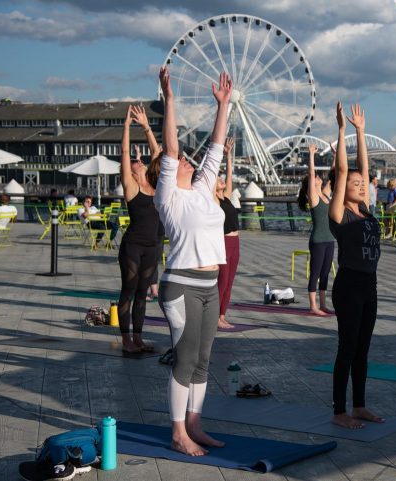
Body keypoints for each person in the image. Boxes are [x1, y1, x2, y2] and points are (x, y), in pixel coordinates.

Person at [155, 66, 231, 456]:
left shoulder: (203, 189)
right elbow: (169, 148)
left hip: (208, 285)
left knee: (203, 359)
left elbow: (216, 148)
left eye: (188, 158)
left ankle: (196, 424)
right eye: (181, 159)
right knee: (184, 359)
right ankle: (177, 431)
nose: (186, 159)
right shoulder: (168, 196)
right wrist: (170, 99)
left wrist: (224, 105)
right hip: (181, 283)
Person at [329, 102, 383, 429]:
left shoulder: (366, 211)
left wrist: (362, 132)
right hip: (349, 286)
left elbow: (362, 169)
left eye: (364, 184)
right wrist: (342, 132)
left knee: (363, 350)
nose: (361, 185)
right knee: (347, 349)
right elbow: (345, 172)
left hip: (370, 286)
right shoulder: (341, 214)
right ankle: (339, 410)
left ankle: (360, 405)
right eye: (355, 184)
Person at [116, 105, 161, 353]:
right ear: (130, 172)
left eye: (139, 159)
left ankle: (138, 338)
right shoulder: (131, 187)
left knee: (143, 294)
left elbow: (157, 153)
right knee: (129, 290)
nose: (138, 161)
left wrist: (145, 127)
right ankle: (126, 340)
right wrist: (126, 127)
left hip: (152, 246)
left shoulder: (155, 184)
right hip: (132, 246)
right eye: (134, 162)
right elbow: (124, 151)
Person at [297, 144, 335, 316]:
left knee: (326, 273)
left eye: (320, 177)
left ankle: (323, 304)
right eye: (316, 178)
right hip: (318, 240)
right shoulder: (313, 197)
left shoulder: (325, 194)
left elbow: (334, 175)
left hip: (329, 240)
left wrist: (335, 157)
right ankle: (313, 305)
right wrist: (311, 154)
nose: (319, 178)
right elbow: (311, 174)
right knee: (316, 272)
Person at [215, 137, 240, 329]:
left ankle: (222, 315)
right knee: (221, 281)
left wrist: (228, 155)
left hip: (235, 242)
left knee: (230, 282)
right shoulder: (214, 201)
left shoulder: (226, 197)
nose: (222, 179)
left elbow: (230, 174)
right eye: (218, 178)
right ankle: (215, 317)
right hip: (222, 242)